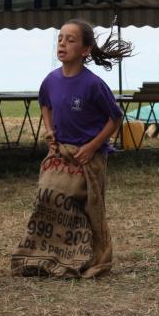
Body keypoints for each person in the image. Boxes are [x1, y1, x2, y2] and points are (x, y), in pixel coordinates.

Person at [11, 19, 132, 278]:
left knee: (85, 207)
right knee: (47, 197)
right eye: (60, 39)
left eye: (71, 39)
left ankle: (90, 258)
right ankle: (48, 256)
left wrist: (92, 146)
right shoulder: (51, 80)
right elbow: (45, 104)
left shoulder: (93, 84)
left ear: (85, 50)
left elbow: (115, 118)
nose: (63, 43)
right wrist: (49, 129)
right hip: (60, 152)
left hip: (88, 156)